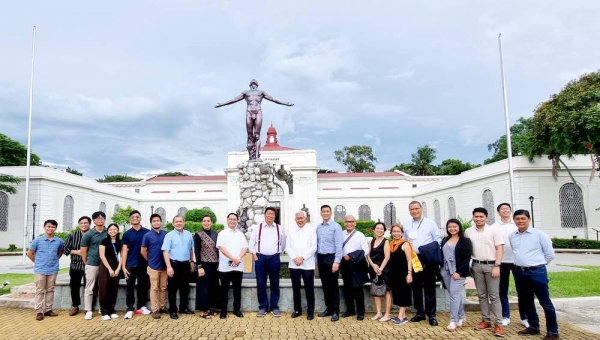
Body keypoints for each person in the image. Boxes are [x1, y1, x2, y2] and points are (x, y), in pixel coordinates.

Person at [214, 79, 294, 160]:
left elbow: (273, 99)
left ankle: (256, 156)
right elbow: (234, 100)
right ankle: (251, 156)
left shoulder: (261, 92)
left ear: (257, 85)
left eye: (254, 84)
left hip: (258, 112)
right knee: (249, 135)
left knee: (257, 135)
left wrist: (285, 103)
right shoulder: (246, 93)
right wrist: (221, 104)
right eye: (252, 84)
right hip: (249, 112)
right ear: (250, 86)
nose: (253, 85)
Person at [510, 210, 559, 340]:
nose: (520, 221)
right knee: (527, 301)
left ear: (529, 219)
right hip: (519, 272)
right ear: (514, 220)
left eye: (523, 218)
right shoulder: (512, 236)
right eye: (517, 219)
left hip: (537, 272)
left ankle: (553, 332)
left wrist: (538, 265)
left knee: (545, 302)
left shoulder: (539, 235)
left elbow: (550, 254)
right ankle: (533, 327)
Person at [465, 207, 505, 337]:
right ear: (473, 218)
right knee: (482, 295)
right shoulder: (468, 231)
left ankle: (498, 324)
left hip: (491, 265)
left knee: (494, 296)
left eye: (481, 217)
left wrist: (497, 265)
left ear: (486, 218)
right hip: (476, 266)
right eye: (476, 217)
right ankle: (486, 320)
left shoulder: (494, 230)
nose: (478, 219)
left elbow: (499, 248)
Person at [402, 201, 441, 326]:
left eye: (416, 208)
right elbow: (404, 239)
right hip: (413, 257)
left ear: (421, 208)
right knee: (416, 286)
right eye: (412, 209)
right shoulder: (407, 224)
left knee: (429, 286)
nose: (414, 211)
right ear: (409, 211)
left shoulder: (431, 223)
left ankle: (431, 314)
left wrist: (427, 249)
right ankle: (420, 312)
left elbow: (438, 239)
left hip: (427, 257)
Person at [492, 202, 528, 328]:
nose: (505, 210)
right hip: (502, 262)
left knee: (522, 290)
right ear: (498, 212)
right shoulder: (495, 226)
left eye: (507, 209)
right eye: (502, 209)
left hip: (518, 262)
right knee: (502, 290)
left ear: (510, 210)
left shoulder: (517, 224)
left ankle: (525, 317)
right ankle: (505, 316)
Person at [249, 207, 286, 317]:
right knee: (261, 284)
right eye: (268, 214)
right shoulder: (257, 228)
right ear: (265, 215)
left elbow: (283, 243)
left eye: (272, 214)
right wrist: (256, 257)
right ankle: (263, 307)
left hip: (274, 258)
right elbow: (251, 244)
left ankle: (274, 307)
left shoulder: (279, 228)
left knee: (275, 283)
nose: (270, 216)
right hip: (260, 259)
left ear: (275, 216)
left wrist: (279, 252)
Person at [27, 219, 64, 321]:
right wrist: (38, 262)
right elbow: (30, 254)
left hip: (53, 269)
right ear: (44, 227)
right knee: (40, 290)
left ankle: (48, 310)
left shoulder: (59, 241)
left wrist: (53, 261)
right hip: (40, 269)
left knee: (50, 290)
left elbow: (59, 253)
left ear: (55, 228)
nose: (50, 228)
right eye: (48, 226)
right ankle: (39, 311)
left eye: (53, 227)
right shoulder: (37, 240)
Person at [440, 219, 473, 332]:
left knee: (454, 295)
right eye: (450, 227)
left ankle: (453, 321)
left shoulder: (465, 241)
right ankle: (463, 317)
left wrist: (459, 272)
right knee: (454, 295)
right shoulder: (445, 239)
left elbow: (466, 258)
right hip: (445, 271)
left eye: (455, 226)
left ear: (459, 227)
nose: (452, 229)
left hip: (458, 272)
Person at [162, 215, 195, 319]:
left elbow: (191, 249)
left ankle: (183, 308)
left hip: (185, 264)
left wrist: (192, 261)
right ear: (173, 223)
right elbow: (165, 251)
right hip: (174, 264)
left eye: (180, 221)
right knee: (172, 289)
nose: (179, 223)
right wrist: (168, 267)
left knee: (185, 288)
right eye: (176, 222)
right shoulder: (169, 236)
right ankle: (173, 310)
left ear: (184, 223)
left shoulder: (189, 234)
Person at [216, 213, 248, 319]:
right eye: (230, 219)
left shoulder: (240, 234)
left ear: (237, 221)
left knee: (237, 290)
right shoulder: (222, 234)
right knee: (224, 290)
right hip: (225, 267)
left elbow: (245, 248)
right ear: (227, 220)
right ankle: (223, 311)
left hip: (238, 266)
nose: (232, 221)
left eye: (234, 219)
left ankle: (236, 310)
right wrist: (233, 258)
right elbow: (221, 248)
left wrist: (237, 258)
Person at [286, 210, 317, 320]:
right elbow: (287, 246)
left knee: (309, 288)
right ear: (295, 220)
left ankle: (310, 311)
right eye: (297, 218)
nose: (300, 220)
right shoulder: (291, 230)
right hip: (294, 264)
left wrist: (302, 257)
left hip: (307, 264)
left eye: (301, 218)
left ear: (306, 219)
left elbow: (313, 247)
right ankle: (297, 310)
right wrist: (295, 258)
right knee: (296, 288)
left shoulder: (311, 230)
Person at [316, 204, 343, 322]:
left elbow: (339, 245)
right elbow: (317, 245)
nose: (325, 213)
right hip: (321, 259)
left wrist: (337, 261)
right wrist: (316, 260)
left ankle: (335, 311)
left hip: (331, 259)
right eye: (323, 211)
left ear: (331, 213)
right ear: (321, 213)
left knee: (333, 286)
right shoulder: (318, 227)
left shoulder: (336, 227)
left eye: (327, 211)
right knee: (325, 286)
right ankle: (329, 309)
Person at [121, 210, 150, 319]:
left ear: (140, 219)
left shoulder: (147, 232)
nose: (135, 219)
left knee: (143, 286)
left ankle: (141, 306)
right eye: (133, 217)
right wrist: (123, 266)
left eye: (137, 217)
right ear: (130, 220)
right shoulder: (127, 234)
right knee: (130, 287)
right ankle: (129, 308)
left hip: (144, 264)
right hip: (130, 264)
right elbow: (124, 251)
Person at [340, 215, 369, 321]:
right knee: (347, 288)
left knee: (358, 289)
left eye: (351, 221)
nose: (349, 223)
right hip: (344, 264)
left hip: (357, 264)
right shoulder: (341, 234)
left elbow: (366, 250)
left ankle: (360, 312)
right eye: (347, 221)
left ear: (355, 223)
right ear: (344, 223)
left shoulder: (360, 235)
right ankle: (350, 310)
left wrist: (351, 256)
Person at [80, 211, 108, 320]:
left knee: (103, 287)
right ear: (94, 221)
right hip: (92, 264)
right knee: (89, 287)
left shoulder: (108, 232)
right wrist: (87, 262)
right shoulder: (89, 234)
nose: (99, 220)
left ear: (104, 219)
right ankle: (88, 310)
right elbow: (83, 251)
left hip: (105, 265)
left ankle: (102, 308)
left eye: (101, 218)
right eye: (97, 219)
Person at [63, 216, 92, 316]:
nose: (83, 225)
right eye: (81, 223)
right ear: (79, 224)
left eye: (86, 223)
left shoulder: (93, 235)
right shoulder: (72, 236)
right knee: (74, 286)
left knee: (89, 287)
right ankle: (75, 306)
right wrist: (78, 252)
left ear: (89, 224)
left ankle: (88, 307)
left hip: (90, 265)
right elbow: (65, 250)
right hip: (75, 265)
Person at [141, 213, 168, 319]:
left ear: (161, 222)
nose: (156, 222)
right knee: (154, 288)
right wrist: (149, 260)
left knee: (163, 287)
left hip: (164, 266)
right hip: (153, 266)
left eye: (158, 220)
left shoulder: (166, 234)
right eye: (154, 221)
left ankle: (162, 307)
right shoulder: (147, 235)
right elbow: (143, 251)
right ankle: (155, 309)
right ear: (151, 223)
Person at [193, 214, 220, 319]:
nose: (206, 223)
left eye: (208, 221)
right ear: (202, 222)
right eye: (204, 221)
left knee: (214, 287)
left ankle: (213, 308)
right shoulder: (198, 235)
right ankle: (204, 310)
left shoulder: (216, 234)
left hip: (215, 265)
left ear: (211, 222)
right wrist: (199, 266)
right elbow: (197, 252)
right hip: (204, 265)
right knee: (204, 288)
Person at [387, 223, 413, 326]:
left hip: (404, 273)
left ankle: (400, 317)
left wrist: (409, 273)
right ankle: (403, 315)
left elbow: (409, 259)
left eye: (398, 231)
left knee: (404, 294)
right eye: (394, 231)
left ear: (402, 233)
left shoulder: (405, 244)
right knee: (397, 293)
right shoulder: (391, 244)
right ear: (391, 233)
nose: (396, 233)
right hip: (394, 273)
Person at [366, 221, 392, 322]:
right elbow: (368, 255)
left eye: (381, 229)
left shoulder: (385, 242)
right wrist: (372, 265)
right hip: (374, 269)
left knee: (386, 291)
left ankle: (387, 314)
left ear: (384, 231)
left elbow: (387, 256)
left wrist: (380, 269)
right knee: (376, 291)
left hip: (384, 270)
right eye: (377, 228)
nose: (379, 230)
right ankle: (379, 313)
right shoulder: (371, 242)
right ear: (374, 230)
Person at [98, 223, 123, 321]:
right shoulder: (104, 241)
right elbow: (102, 255)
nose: (113, 231)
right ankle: (104, 312)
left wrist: (118, 269)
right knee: (104, 288)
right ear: (108, 231)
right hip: (105, 266)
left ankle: (112, 310)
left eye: (115, 229)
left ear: (118, 231)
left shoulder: (120, 242)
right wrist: (109, 268)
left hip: (116, 265)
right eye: (110, 229)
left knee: (114, 288)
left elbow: (121, 256)